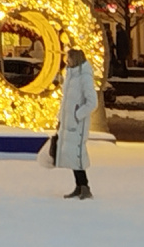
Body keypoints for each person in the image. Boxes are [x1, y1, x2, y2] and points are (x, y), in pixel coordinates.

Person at [55, 47, 97, 199]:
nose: (67, 61)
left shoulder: (84, 76)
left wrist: (77, 115)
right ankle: (79, 186)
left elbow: (92, 102)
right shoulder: (70, 76)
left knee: (77, 155)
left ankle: (84, 187)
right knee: (72, 155)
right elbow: (65, 100)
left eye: (69, 58)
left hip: (77, 124)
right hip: (69, 123)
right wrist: (61, 118)